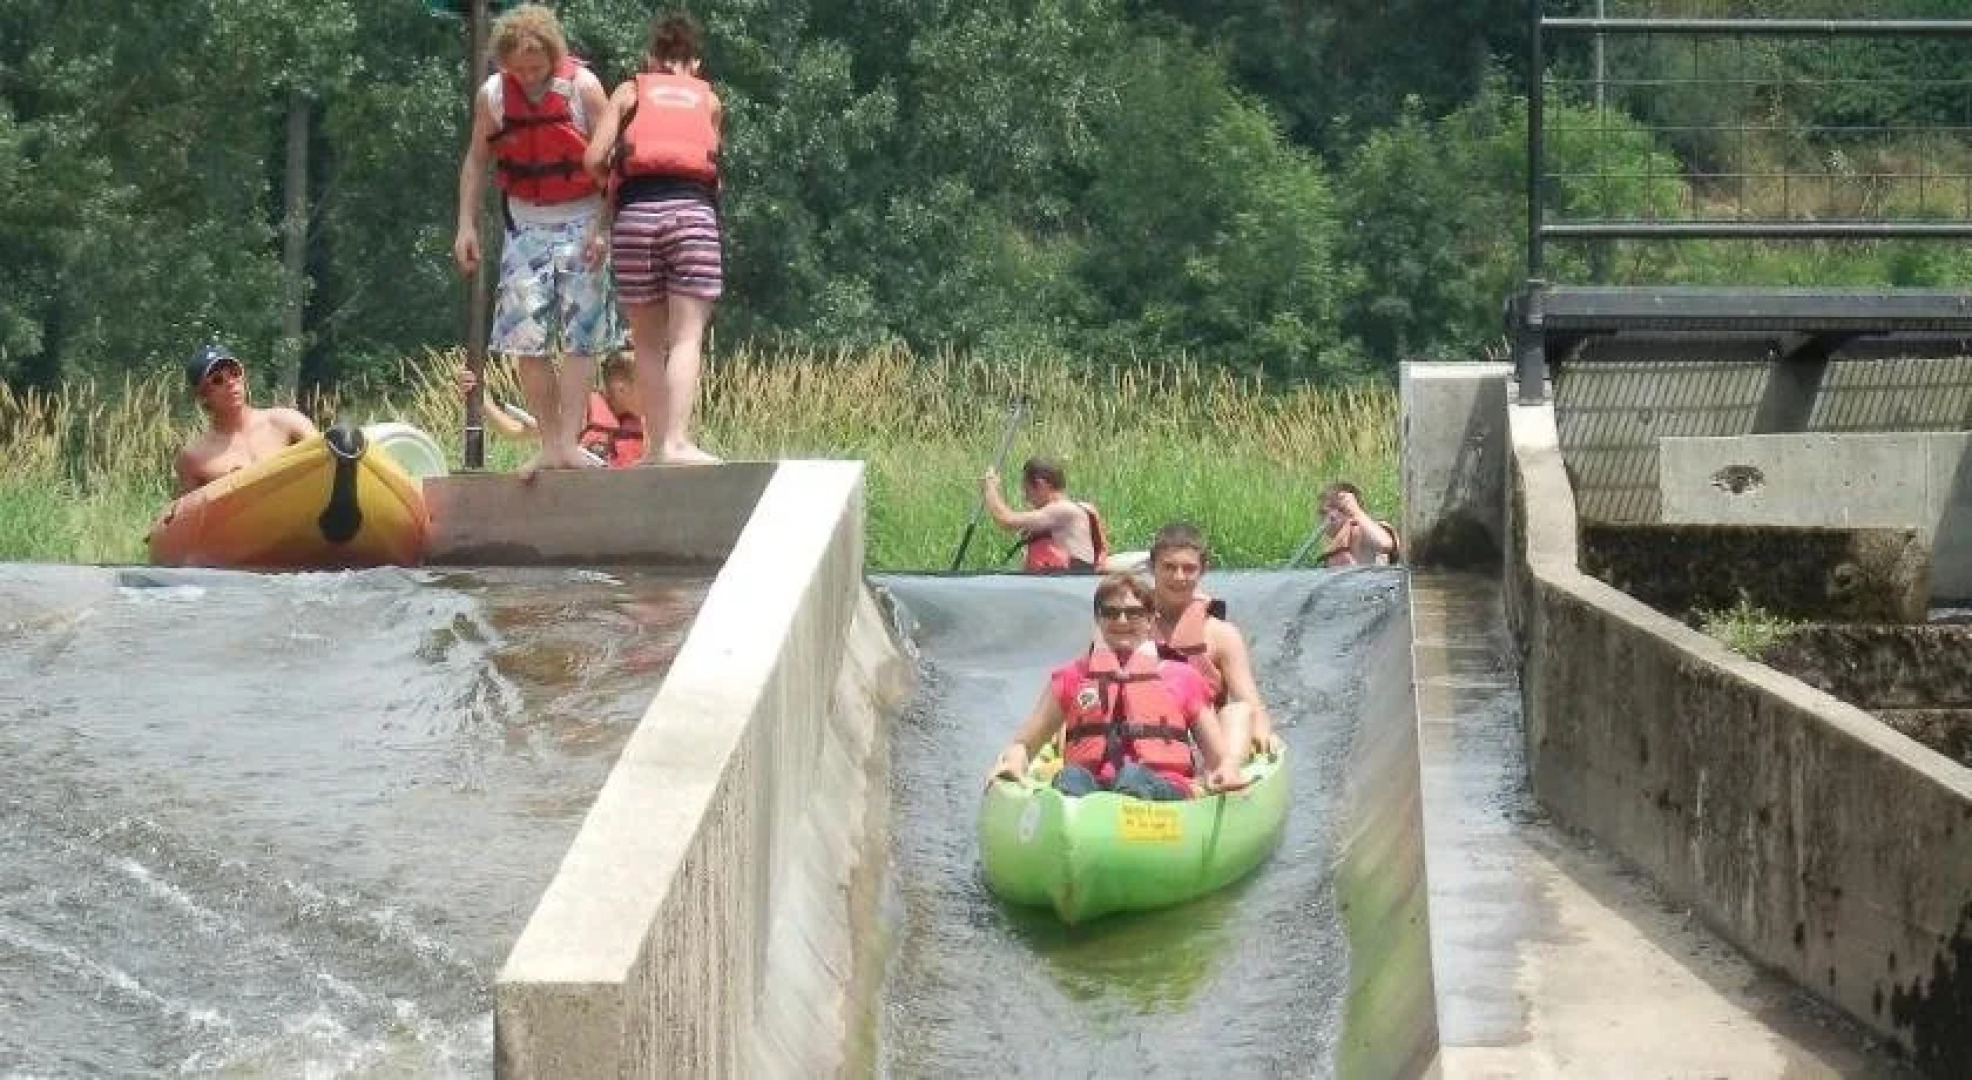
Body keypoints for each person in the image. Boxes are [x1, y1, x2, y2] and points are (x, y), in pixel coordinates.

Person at [453, 4, 615, 480]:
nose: (527, 76)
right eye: (517, 68)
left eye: (536, 66)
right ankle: (549, 443)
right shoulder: (495, 96)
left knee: (583, 337)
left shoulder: (584, 89)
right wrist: (466, 224)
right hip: (525, 224)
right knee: (525, 339)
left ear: (553, 55)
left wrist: (603, 228)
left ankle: (568, 443)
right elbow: (477, 162)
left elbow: (613, 168)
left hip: (582, 219)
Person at [582, 11, 723, 465]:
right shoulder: (710, 101)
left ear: (650, 58)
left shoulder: (628, 92)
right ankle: (678, 443)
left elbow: (592, 159)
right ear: (695, 64)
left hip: (636, 218)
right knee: (686, 338)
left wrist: (617, 182)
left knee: (645, 342)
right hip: (691, 215)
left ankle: (654, 448)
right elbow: (711, 165)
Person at [990, 573, 1244, 800]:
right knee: (1070, 778)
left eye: (1133, 613)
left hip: (1162, 789)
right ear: (1098, 620)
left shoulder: (1183, 677)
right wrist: (1013, 761)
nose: (1122, 620)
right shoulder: (1071, 677)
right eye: (1111, 612)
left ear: (1149, 620)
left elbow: (1217, 757)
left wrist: (1222, 774)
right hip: (1092, 792)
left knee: (1132, 777)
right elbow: (1023, 744)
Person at [1144, 522, 1282, 758]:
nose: (1179, 577)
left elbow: (1248, 698)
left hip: (1203, 746)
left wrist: (1263, 733)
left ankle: (1221, 778)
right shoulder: (1125, 623)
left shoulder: (1221, 635)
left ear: (1202, 570)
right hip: (1142, 737)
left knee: (1239, 712)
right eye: (1169, 567)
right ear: (1152, 567)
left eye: (1189, 568)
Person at [457, 346, 646, 467]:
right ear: (621, 389)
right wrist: (481, 401)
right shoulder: (580, 412)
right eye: (649, 388)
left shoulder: (649, 424)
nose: (658, 394)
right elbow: (514, 431)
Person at [173, 344, 320, 494]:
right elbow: (188, 513)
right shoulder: (193, 458)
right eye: (217, 380)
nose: (230, 382)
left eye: (235, 373)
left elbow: (325, 459)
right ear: (201, 395)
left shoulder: (287, 420)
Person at [981, 457, 1110, 573]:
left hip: (1067, 583)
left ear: (1041, 484)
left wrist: (990, 489)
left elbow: (1006, 521)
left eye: (1027, 490)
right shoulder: (1079, 509)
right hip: (1060, 583)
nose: (1026, 498)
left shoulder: (1062, 510)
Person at [1316, 481, 1400, 567]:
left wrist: (1357, 513)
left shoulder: (1363, 531)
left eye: (1338, 508)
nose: (1331, 516)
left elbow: (1385, 544)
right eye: (1323, 512)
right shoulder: (1330, 542)